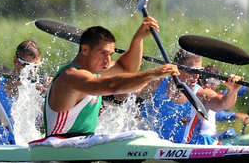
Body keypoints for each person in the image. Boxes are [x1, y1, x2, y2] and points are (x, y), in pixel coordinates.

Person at [43, 17, 179, 138]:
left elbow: (127, 69)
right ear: (85, 50)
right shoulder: (72, 77)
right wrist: (153, 73)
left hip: (81, 147)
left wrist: (138, 39)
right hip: (59, 150)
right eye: (103, 53)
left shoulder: (93, 70)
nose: (108, 60)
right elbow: (113, 86)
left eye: (110, 54)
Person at [138, 49, 244, 144]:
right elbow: (125, 92)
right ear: (176, 68)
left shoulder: (200, 94)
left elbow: (223, 104)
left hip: (185, 148)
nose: (196, 76)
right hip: (150, 144)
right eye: (191, 71)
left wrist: (232, 91)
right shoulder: (156, 84)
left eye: (198, 71)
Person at [0, 38, 48, 145]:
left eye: (36, 67)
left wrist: (54, 90)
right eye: (27, 65)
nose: (32, 71)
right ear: (15, 60)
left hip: (22, 153)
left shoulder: (38, 92)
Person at [197, 64, 249, 140]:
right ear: (203, 81)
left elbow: (228, 96)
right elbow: (219, 112)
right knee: (231, 133)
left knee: (231, 133)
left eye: (216, 84)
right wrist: (235, 115)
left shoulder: (213, 96)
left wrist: (240, 88)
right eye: (211, 83)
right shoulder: (199, 96)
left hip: (211, 137)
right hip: (201, 139)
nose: (213, 87)